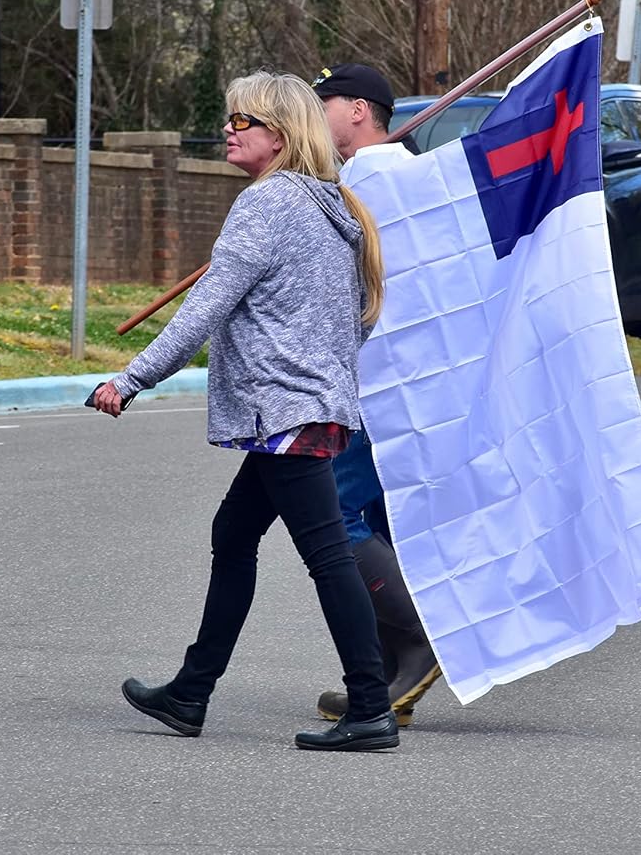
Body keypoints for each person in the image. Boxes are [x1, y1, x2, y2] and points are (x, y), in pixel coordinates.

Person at [91, 70, 398, 752]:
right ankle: (191, 692)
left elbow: (204, 308)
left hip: (285, 413)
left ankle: (371, 707)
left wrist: (132, 377)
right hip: (309, 408)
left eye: (242, 123)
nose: (229, 132)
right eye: (229, 121)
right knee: (234, 536)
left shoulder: (268, 205)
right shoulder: (329, 204)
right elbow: (358, 322)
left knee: (327, 557)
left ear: (279, 136)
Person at [309, 64, 443, 726]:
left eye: (323, 103)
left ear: (359, 109)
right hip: (394, 377)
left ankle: (417, 643)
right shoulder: (403, 175)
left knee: (334, 508)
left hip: (374, 380)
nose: (314, 115)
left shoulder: (371, 180)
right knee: (389, 520)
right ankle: (393, 678)